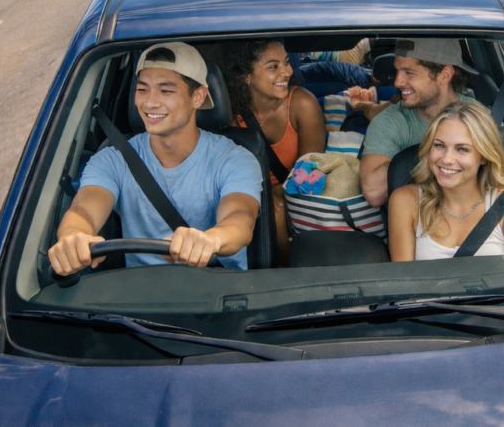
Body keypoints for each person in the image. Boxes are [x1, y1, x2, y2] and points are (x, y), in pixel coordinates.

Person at [48, 43, 262, 274]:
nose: (149, 102)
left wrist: (212, 239)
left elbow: (240, 218)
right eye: (142, 90)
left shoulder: (234, 159)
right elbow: (83, 211)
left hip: (218, 289)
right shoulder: (113, 159)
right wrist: (73, 236)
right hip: (142, 293)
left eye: (165, 90)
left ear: (198, 97)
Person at [387, 101, 504, 261]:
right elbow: (404, 282)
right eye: (439, 145)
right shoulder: (405, 201)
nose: (447, 159)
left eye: (462, 149)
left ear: (484, 157)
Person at [221, 39, 326, 264]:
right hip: (243, 194)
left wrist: (270, 197)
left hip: (295, 195)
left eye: (287, 63)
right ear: (247, 75)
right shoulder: (228, 115)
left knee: (276, 211)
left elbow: (309, 178)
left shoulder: (303, 104)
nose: (287, 72)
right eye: (273, 66)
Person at [360, 39, 479, 207]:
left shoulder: (479, 119)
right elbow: (374, 194)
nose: (397, 82)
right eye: (397, 71)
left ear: (444, 75)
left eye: (409, 72)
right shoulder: (390, 121)